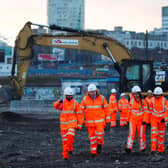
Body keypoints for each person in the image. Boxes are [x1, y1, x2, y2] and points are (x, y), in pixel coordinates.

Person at [53, 87, 83, 160]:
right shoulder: (62, 103)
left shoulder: (75, 103)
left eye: (71, 95)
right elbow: (55, 106)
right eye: (68, 95)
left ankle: (65, 153)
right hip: (63, 125)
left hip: (72, 124)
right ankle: (66, 154)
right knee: (65, 141)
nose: (69, 96)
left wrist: (79, 124)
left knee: (70, 136)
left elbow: (80, 114)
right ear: (65, 95)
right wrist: (58, 102)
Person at [80, 83, 110, 157]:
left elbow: (107, 110)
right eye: (91, 92)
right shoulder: (85, 99)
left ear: (96, 91)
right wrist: (81, 122)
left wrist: (108, 121)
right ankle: (94, 152)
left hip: (100, 121)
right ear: (88, 92)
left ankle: (99, 144)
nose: (92, 93)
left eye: (93, 91)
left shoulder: (102, 98)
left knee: (100, 135)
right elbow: (80, 111)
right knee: (92, 137)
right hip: (89, 123)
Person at [144, 87, 168, 154]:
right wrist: (148, 121)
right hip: (154, 119)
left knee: (161, 135)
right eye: (156, 95)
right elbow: (150, 111)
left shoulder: (164, 101)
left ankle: (161, 150)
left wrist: (165, 119)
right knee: (154, 134)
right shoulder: (152, 100)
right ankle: (153, 149)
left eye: (158, 95)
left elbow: (167, 111)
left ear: (161, 94)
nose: (157, 96)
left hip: (161, 120)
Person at [125, 85, 148, 153]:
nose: (136, 95)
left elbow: (146, 112)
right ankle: (128, 147)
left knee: (141, 135)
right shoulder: (131, 101)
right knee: (131, 134)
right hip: (133, 120)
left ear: (139, 93)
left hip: (141, 121)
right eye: (134, 94)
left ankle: (143, 147)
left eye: (137, 93)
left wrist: (144, 120)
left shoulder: (143, 101)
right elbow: (129, 111)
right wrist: (128, 120)